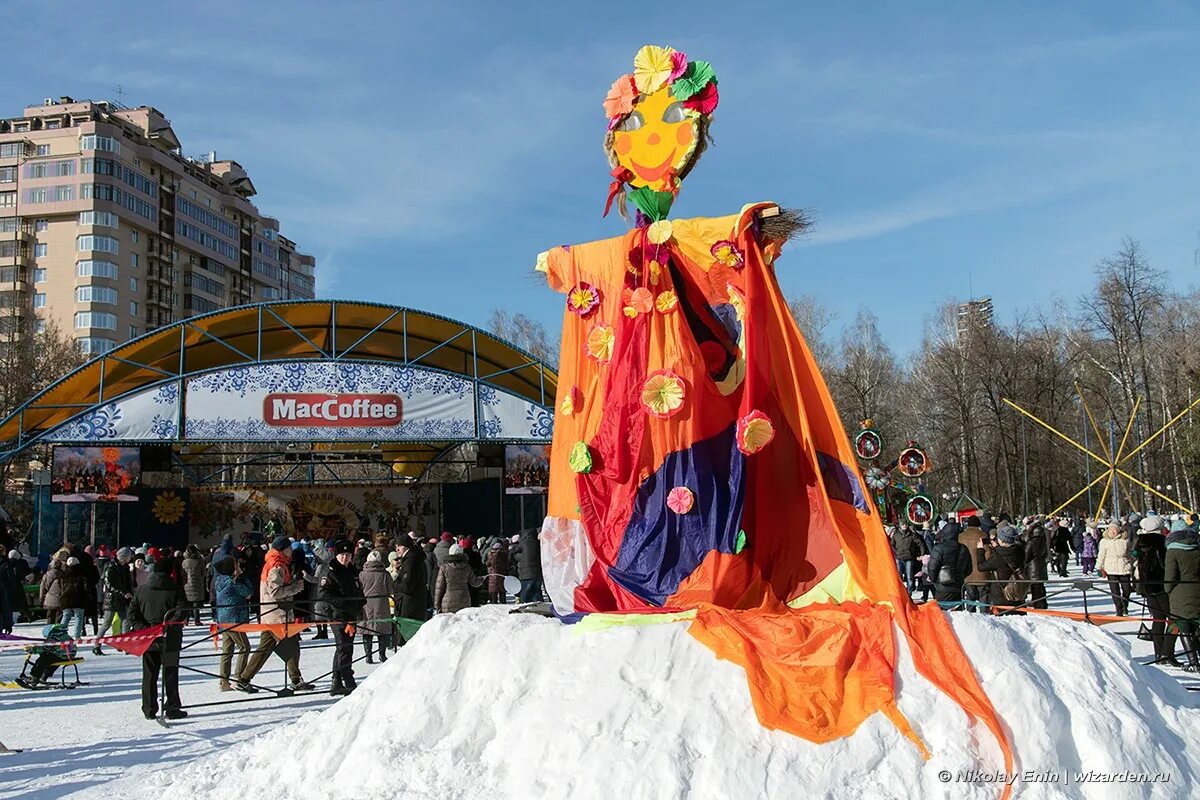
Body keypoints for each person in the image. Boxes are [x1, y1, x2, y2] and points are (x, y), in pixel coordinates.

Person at [236, 536, 315, 693]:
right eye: (289, 548)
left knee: (264, 649)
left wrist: (292, 583)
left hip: (270, 615)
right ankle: (296, 680)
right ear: (283, 549)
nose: (291, 550)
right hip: (278, 615)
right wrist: (295, 588)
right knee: (291, 646)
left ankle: (244, 679)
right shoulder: (277, 566)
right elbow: (275, 591)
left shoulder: (273, 563)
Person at [126, 556, 189, 720]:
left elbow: (132, 615)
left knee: (149, 674)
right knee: (170, 673)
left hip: (148, 638)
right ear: (170, 572)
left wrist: (146, 629)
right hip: (170, 637)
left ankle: (149, 708)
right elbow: (182, 611)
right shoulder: (176, 590)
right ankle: (172, 707)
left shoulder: (142, 590)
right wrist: (166, 626)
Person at [319, 540, 364, 696]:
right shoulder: (330, 570)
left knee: (344, 647)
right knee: (344, 647)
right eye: (342, 555)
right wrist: (342, 603)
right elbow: (324, 593)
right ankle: (347, 679)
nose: (345, 558)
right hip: (337, 614)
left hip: (351, 614)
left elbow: (357, 589)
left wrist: (360, 602)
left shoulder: (352, 570)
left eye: (348, 555)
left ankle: (336, 681)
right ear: (336, 555)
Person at [1136, 518, 1179, 667]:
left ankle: (1159, 652)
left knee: (1158, 619)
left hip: (1147, 586)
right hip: (1162, 585)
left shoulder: (1140, 542)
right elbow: (1166, 564)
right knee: (1175, 619)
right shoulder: (1162, 543)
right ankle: (1167, 652)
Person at [213, 541, 254, 691]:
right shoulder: (233, 582)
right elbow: (249, 592)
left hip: (223, 619)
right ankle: (239, 678)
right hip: (235, 619)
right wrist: (243, 576)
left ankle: (224, 681)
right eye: (236, 566)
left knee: (227, 650)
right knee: (244, 647)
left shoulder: (219, 581)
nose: (239, 568)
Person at [1165, 522, 1200, 672]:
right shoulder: (1197, 548)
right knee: (1197, 626)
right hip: (1197, 590)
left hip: (1180, 593)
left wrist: (1168, 590)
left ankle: (1193, 662)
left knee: (1183, 626)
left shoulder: (1173, 551)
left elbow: (1170, 577)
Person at [94, 548, 134, 655]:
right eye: (129, 556)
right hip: (111, 599)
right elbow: (108, 584)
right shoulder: (110, 566)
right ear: (124, 557)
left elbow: (127, 583)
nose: (130, 559)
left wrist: (130, 593)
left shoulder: (125, 567)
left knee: (126, 622)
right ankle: (96, 645)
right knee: (106, 623)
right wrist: (122, 592)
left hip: (122, 600)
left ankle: (126, 646)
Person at [976, 525, 1027, 609]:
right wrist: (997, 547)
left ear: (1002, 541)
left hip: (1001, 596)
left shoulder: (998, 557)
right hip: (1017, 593)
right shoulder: (1020, 551)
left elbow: (981, 567)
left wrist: (980, 550)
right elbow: (1007, 552)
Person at [925, 521, 972, 610]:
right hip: (958, 586)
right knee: (958, 616)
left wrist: (935, 580)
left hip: (942, 587)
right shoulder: (963, 548)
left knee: (942, 615)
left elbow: (932, 567)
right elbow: (969, 568)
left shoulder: (939, 548)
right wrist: (960, 576)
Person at [358, 550, 393, 664]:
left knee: (367, 630)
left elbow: (359, 589)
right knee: (381, 630)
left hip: (366, 604)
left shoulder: (362, 574)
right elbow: (390, 590)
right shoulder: (385, 574)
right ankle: (382, 655)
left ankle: (368, 656)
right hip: (381, 604)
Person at [1096, 521, 1134, 616]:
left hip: (1124, 567)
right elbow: (1101, 555)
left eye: (1115, 529)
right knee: (1115, 591)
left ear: (1118, 530)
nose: (1113, 531)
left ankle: (1125, 606)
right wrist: (1099, 567)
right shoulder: (1104, 541)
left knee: (1126, 589)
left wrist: (1132, 562)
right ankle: (1119, 610)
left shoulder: (1125, 540)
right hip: (1110, 568)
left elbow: (1129, 553)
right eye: (1111, 529)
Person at [435, 543, 483, 614]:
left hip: (448, 602)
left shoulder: (444, 568)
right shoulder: (467, 567)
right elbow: (475, 583)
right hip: (464, 601)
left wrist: (437, 605)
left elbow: (439, 588)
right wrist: (481, 579)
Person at [57, 557, 91, 641]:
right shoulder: (82, 574)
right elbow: (86, 587)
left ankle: (60, 634)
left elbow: (60, 587)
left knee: (66, 616)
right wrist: (88, 596)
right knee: (79, 617)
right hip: (79, 598)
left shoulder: (63, 575)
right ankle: (77, 636)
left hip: (66, 598)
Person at [509, 527, 544, 603]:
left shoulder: (521, 544)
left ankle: (525, 605)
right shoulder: (538, 543)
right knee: (536, 590)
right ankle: (539, 604)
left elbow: (516, 556)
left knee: (525, 592)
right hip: (537, 572)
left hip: (525, 573)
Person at [891, 525, 924, 597]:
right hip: (899, 558)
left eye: (905, 524)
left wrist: (922, 554)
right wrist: (896, 552)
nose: (904, 526)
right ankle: (899, 593)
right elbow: (892, 545)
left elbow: (920, 544)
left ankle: (909, 594)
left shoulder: (912, 534)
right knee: (899, 576)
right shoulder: (896, 535)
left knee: (909, 577)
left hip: (909, 558)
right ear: (900, 526)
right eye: (903, 524)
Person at [38, 549, 69, 624]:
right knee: (58, 619)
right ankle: (57, 633)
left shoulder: (47, 575)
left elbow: (43, 587)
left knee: (49, 617)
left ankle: (49, 632)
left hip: (49, 600)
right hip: (61, 600)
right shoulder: (64, 575)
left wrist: (41, 599)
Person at [1024, 523, 1050, 610]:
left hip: (1033, 568)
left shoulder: (1031, 542)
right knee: (1040, 586)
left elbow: (1026, 556)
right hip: (1041, 566)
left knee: (1035, 588)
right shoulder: (1044, 542)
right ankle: (1042, 603)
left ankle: (1038, 605)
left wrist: (1024, 564)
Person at [179, 545, 207, 626]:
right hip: (198, 583)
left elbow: (182, 573)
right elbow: (204, 573)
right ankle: (197, 620)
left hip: (187, 583)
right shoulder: (200, 560)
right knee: (196, 603)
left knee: (187, 603)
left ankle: (186, 620)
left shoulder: (184, 562)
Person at [486, 539, 510, 605]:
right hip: (502, 574)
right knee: (502, 589)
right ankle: (503, 602)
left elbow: (488, 563)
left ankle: (494, 603)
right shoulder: (505, 553)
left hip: (493, 575)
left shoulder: (491, 554)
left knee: (494, 590)